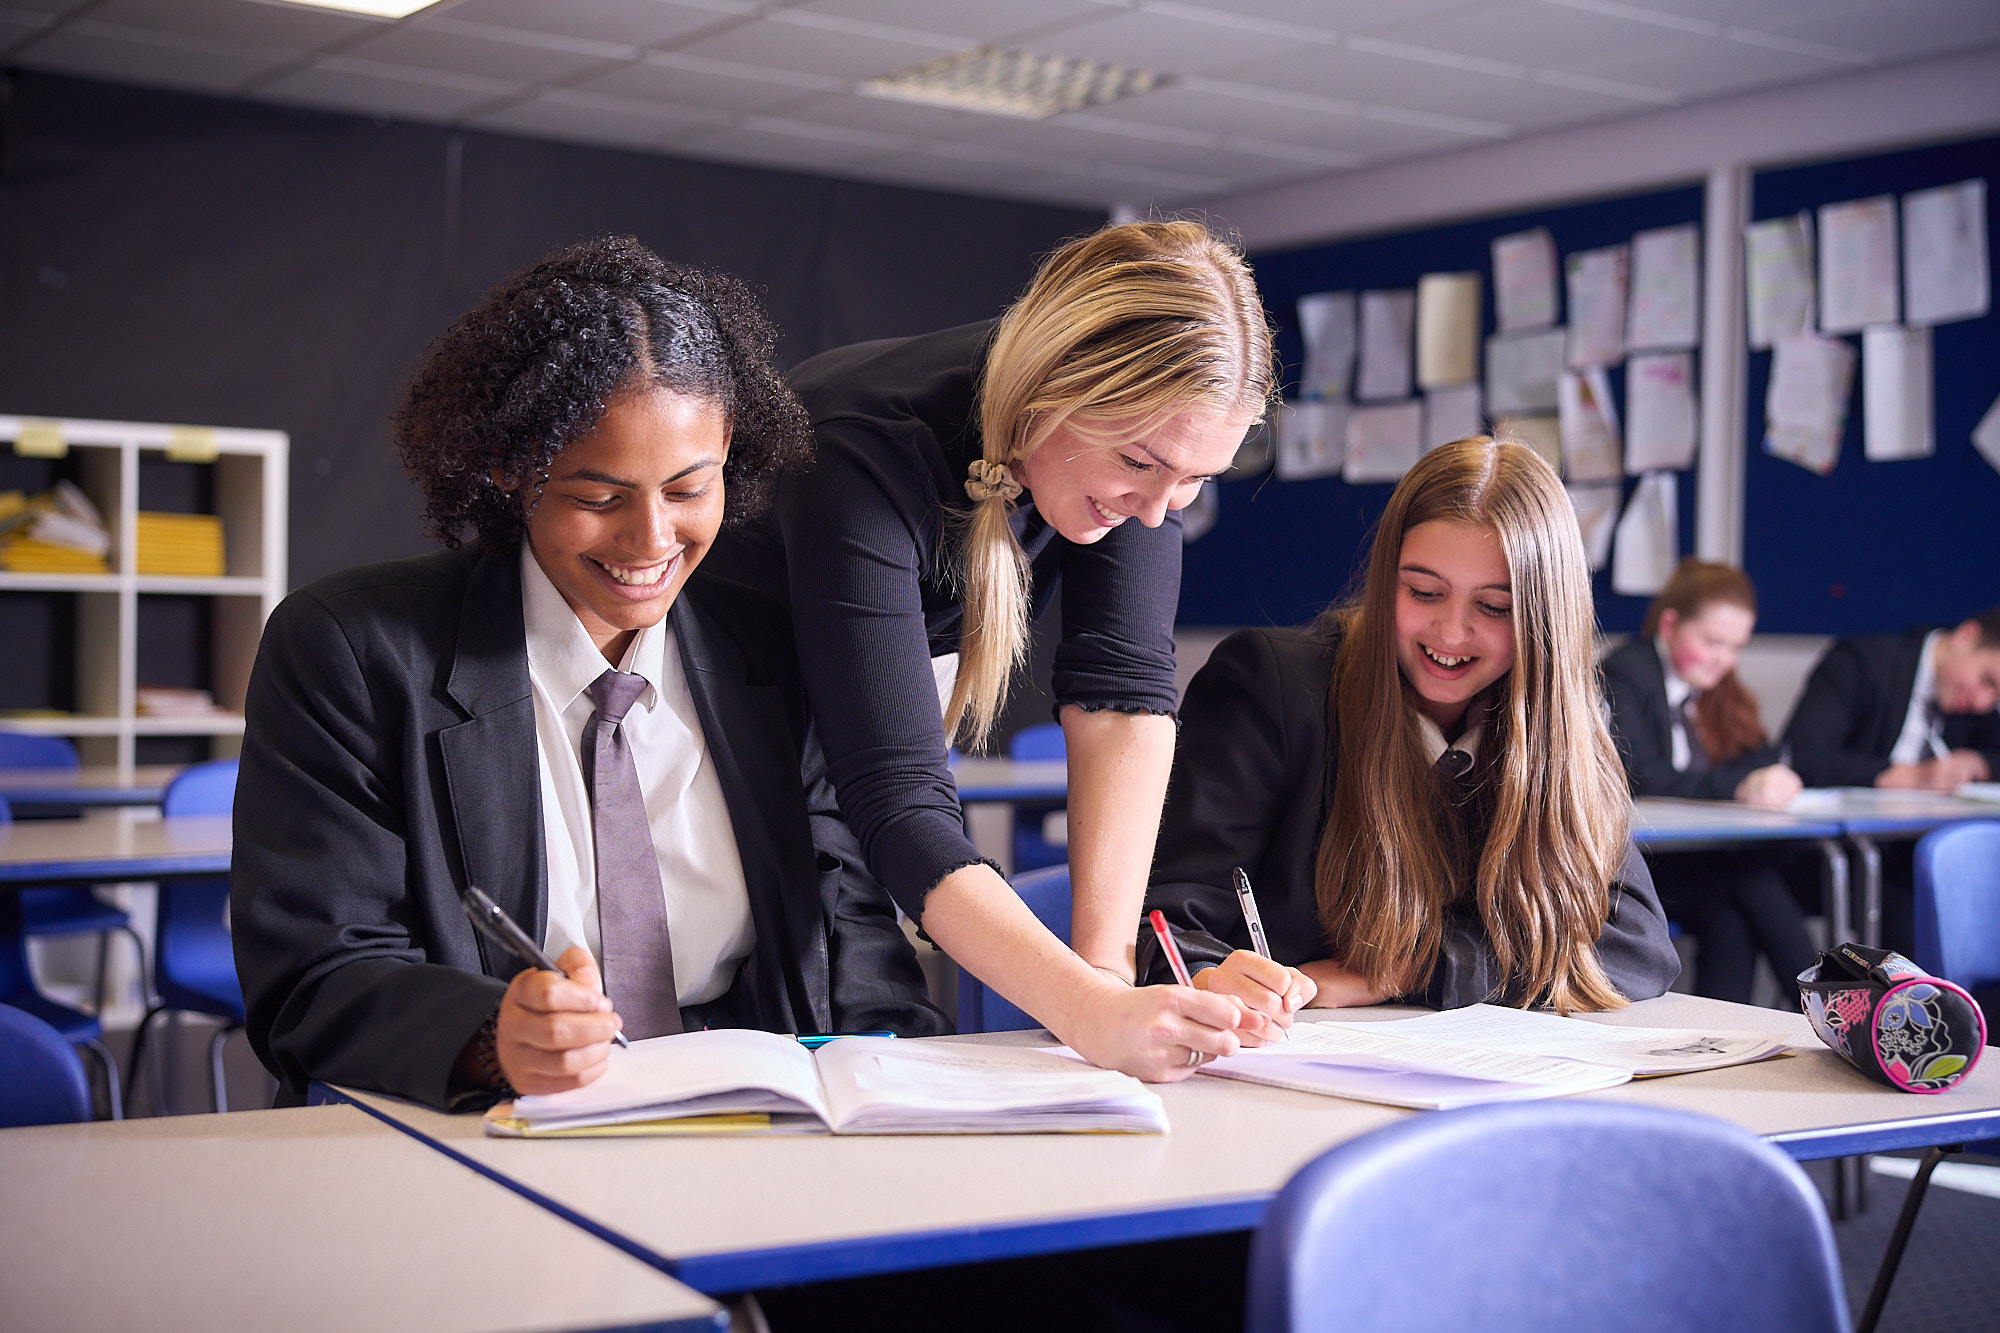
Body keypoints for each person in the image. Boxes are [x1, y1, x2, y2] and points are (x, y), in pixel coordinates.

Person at [232, 237, 946, 1111]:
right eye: (598, 497)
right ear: (508, 470)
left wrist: (914, 1094)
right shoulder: (350, 649)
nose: (651, 541)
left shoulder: (776, 649)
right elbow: (317, 976)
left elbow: (852, 933)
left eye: (690, 490)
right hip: (484, 1126)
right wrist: (493, 1037)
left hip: (747, 1122)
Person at [704, 220, 1274, 1078]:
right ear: (1052, 388)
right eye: (1142, 464)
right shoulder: (859, 447)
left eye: (1195, 481)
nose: (1161, 512)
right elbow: (898, 797)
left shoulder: (1140, 462)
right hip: (715, 717)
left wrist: (1107, 977)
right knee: (800, 1024)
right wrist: (1087, 1012)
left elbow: (1123, 701)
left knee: (882, 1023)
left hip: (856, 734)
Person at [1141, 437, 1679, 1023]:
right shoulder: (1271, 688)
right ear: (1386, 579)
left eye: (1495, 607)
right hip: (1284, 1067)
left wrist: (1408, 971)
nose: (1451, 632)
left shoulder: (1558, 724)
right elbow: (1164, 922)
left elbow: (1638, 948)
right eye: (1423, 592)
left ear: (1542, 619)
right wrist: (1208, 975)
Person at [1600, 559, 1816, 1003]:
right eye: (1713, 641)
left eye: (1736, 647)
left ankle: (1728, 1042)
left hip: (1702, 867)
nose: (1725, 659)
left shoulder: (1715, 684)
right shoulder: (1625, 673)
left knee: (1730, 916)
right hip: (1640, 868)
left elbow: (1757, 752)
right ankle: (1823, 998)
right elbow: (1639, 776)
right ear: (1670, 624)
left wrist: (1766, 775)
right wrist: (1739, 787)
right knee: (1748, 875)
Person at [1782, 607, 2000, 956]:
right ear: (1966, 636)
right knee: (1917, 917)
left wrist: (1977, 762)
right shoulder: (1860, 661)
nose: (1983, 701)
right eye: (1988, 681)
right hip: (1839, 854)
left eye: (1996, 698)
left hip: (1914, 856)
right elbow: (1805, 756)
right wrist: (1905, 777)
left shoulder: (1974, 704)